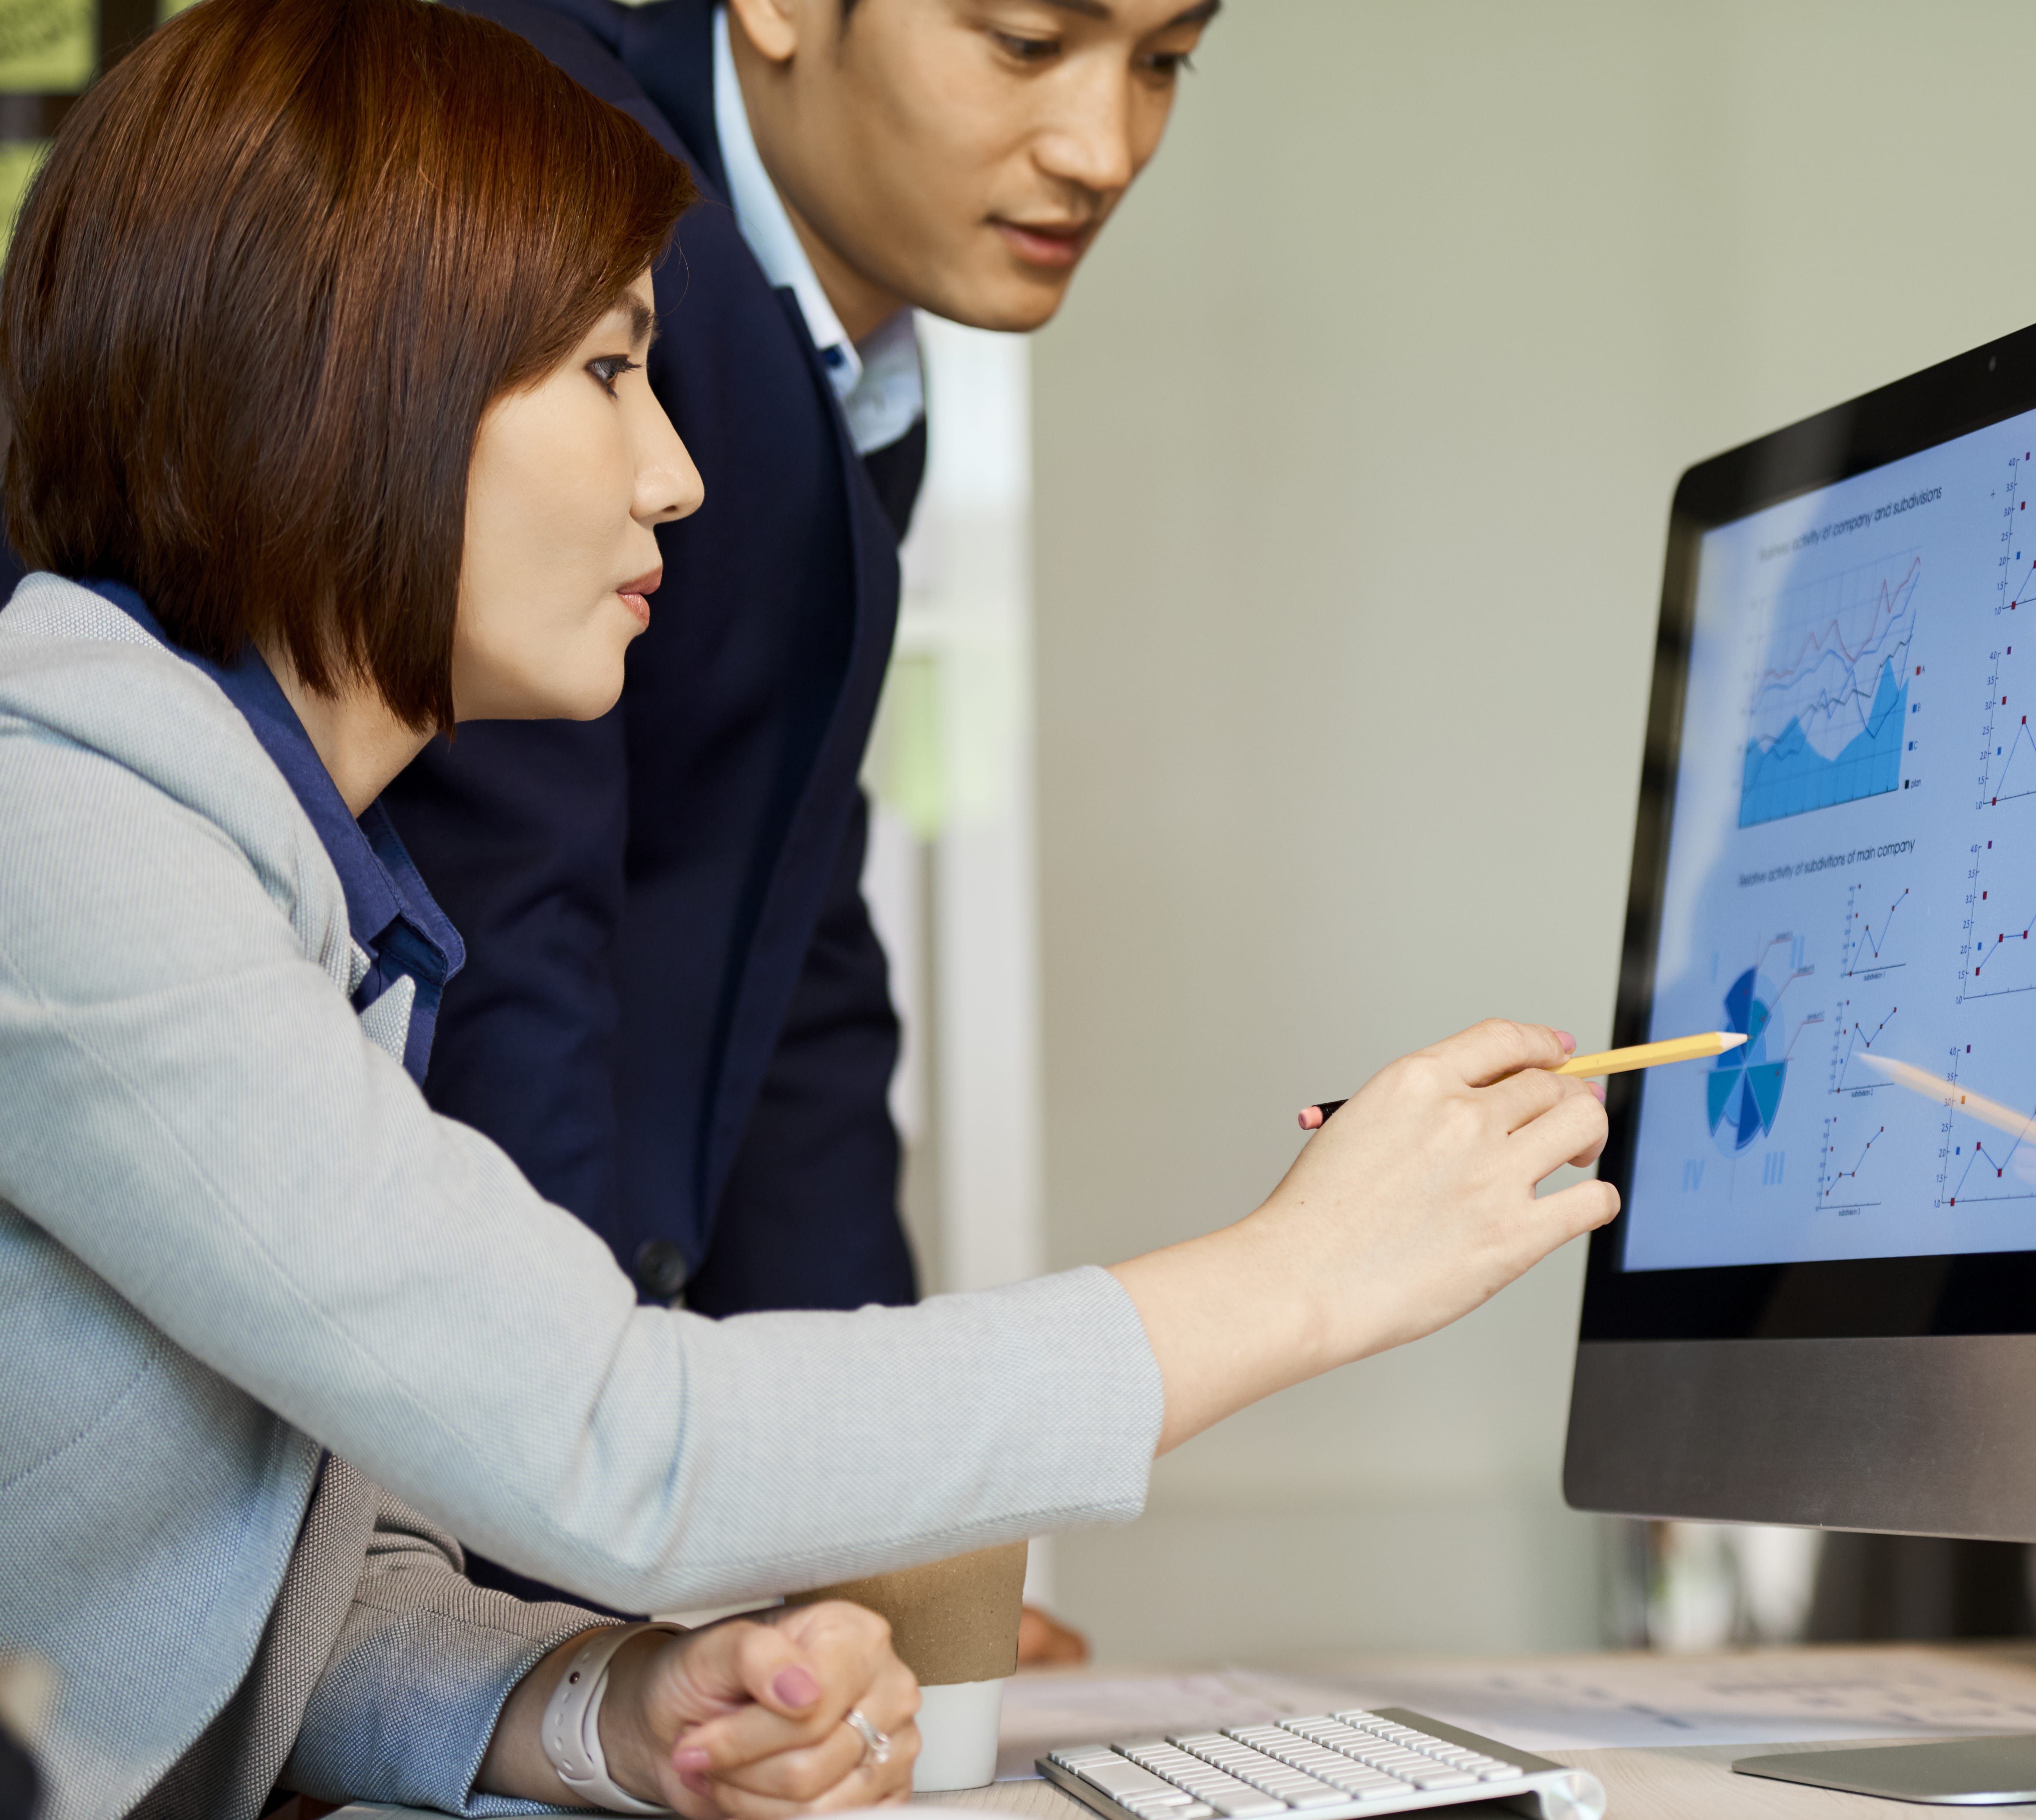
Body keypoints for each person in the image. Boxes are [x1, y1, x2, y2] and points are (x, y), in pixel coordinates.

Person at [0, 3, 1613, 1817]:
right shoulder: (65, 829)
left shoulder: (266, 868)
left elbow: (247, 1598)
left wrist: (613, 1706)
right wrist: (1295, 1278)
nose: (678, 473)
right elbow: (616, 1434)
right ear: (349, 378)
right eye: (610, 371)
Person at [376, 0, 1218, 1339]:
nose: (1103, 151)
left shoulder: (849, 368)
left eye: (1166, 61)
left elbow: (776, 916)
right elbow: (501, 936)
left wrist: (887, 1452)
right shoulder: (535, 166)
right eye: (1026, 43)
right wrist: (597, 1435)